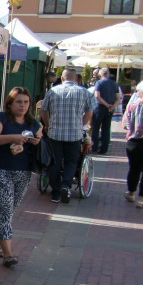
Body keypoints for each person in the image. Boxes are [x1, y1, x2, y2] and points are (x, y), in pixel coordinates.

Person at [0, 88, 41, 268]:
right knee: (4, 212)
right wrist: (13, 138)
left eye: (26, 102)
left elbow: (40, 139)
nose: (23, 106)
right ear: (10, 103)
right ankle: (8, 255)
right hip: (1, 170)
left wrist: (37, 141)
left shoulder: (33, 123)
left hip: (23, 172)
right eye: (18, 102)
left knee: (7, 212)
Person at [40, 68, 93, 204]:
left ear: (62, 78)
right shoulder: (84, 92)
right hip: (74, 134)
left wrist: (47, 124)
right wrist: (81, 124)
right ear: (75, 79)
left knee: (54, 162)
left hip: (55, 133)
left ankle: (56, 192)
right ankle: (66, 185)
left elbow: (43, 111)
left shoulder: (52, 91)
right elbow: (89, 112)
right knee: (71, 161)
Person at [122, 80, 143, 208]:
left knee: (134, 168)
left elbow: (125, 122)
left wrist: (133, 130)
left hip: (134, 141)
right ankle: (142, 199)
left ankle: (131, 193)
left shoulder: (133, 104)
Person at [90, 67, 121, 155]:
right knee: (106, 128)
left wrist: (106, 104)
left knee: (95, 128)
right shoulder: (114, 84)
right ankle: (104, 149)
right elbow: (118, 97)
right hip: (110, 109)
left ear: (100, 75)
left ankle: (94, 147)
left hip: (100, 107)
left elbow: (97, 96)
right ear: (108, 74)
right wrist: (112, 106)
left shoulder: (99, 82)